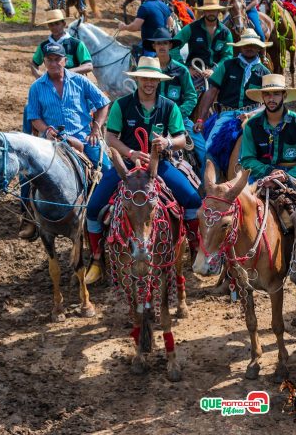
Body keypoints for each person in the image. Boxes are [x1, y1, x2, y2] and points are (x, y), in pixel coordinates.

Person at [85, 56, 202, 278]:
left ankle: (195, 247)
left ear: (159, 82)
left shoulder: (169, 106)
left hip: (162, 162)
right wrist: (130, 153)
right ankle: (97, 257)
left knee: (193, 200)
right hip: (127, 165)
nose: (149, 83)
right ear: (138, 79)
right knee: (93, 207)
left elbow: (180, 139)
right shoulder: (121, 105)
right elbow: (110, 137)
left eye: (153, 79)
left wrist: (167, 142)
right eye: (144, 79)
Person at [20, 43, 111, 242]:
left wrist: (96, 128)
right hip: (51, 141)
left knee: (108, 170)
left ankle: (109, 211)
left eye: (57, 59)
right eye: (49, 59)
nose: (53, 63)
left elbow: (104, 103)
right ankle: (28, 216)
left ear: (65, 60)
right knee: (28, 174)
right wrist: (46, 130)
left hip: (83, 137)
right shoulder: (36, 87)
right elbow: (34, 116)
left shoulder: (79, 81)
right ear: (44, 62)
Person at [194, 28, 270, 157]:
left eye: (253, 45)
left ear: (258, 48)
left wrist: (252, 113)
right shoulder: (227, 66)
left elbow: (268, 102)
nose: (249, 48)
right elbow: (211, 92)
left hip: (253, 115)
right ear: (240, 47)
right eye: (246, 45)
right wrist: (201, 119)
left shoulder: (265, 73)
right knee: (209, 149)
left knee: (267, 149)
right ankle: (205, 176)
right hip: (227, 114)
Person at [144, 28, 205, 170]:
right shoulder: (146, 71)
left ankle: (205, 188)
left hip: (179, 120)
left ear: (170, 45)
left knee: (204, 151)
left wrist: (176, 114)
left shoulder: (181, 70)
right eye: (158, 44)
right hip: (152, 118)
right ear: (154, 46)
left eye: (165, 43)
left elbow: (191, 97)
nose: (161, 46)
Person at [240, 73, 296, 181]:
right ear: (262, 97)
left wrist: (286, 177)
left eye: (276, 94)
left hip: (292, 176)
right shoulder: (251, 125)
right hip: (260, 174)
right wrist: (270, 172)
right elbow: (247, 159)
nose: (271, 99)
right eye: (267, 94)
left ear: (284, 96)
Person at [170, 0, 233, 85]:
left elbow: (228, 56)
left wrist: (214, 70)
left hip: (217, 73)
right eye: (208, 10)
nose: (211, 13)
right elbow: (173, 46)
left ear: (218, 11)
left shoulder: (226, 33)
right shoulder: (191, 28)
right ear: (204, 11)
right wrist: (185, 68)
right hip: (194, 72)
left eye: (214, 10)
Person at [31, 9, 93, 79]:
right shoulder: (43, 46)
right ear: (48, 26)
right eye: (51, 25)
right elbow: (34, 64)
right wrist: (39, 76)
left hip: (73, 84)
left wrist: (66, 73)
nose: (54, 27)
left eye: (57, 24)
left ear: (64, 24)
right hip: (51, 85)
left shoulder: (77, 44)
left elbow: (88, 66)